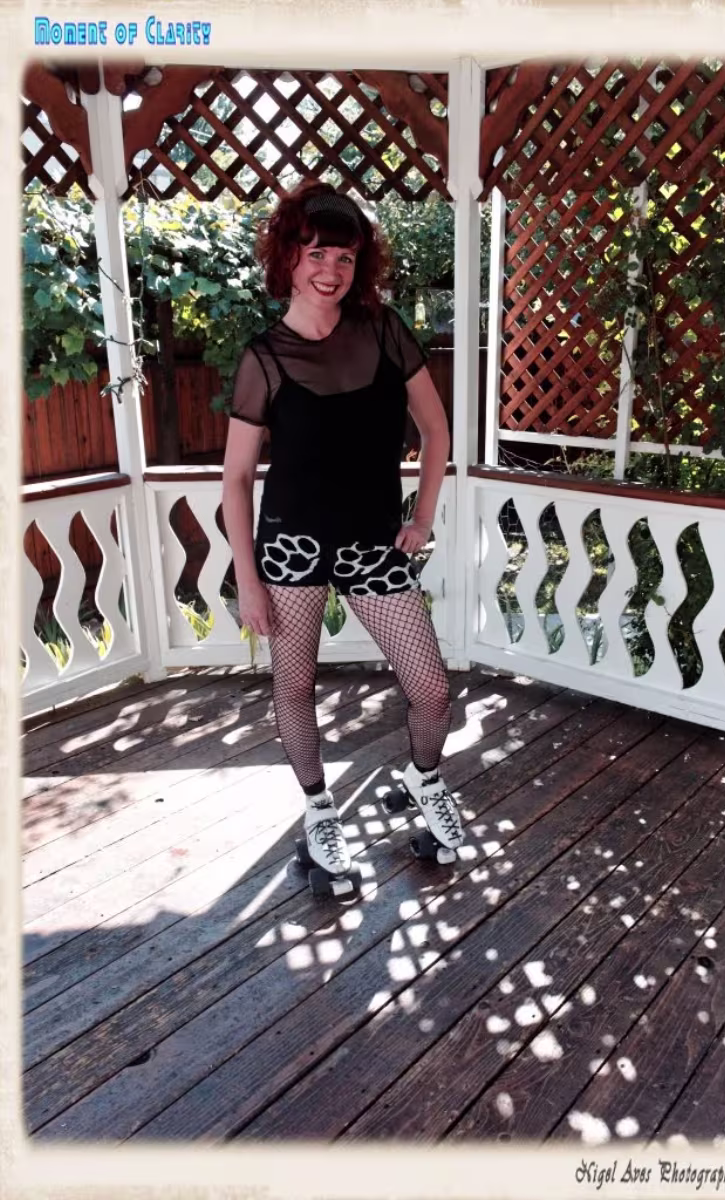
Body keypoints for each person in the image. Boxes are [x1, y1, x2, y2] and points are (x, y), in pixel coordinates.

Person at [222, 180, 464, 884]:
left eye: (346, 257)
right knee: (294, 686)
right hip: (291, 546)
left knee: (432, 688)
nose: (331, 270)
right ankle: (319, 809)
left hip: (372, 543)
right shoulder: (263, 358)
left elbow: (436, 430)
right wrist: (248, 579)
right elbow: (236, 478)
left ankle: (423, 778)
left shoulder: (384, 331)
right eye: (317, 254)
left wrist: (422, 516)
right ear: (288, 258)